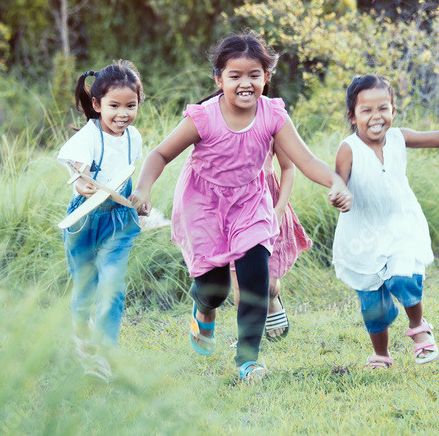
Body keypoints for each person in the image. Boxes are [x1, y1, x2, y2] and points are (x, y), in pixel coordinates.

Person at [129, 32, 352, 382]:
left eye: (254, 75)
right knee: (215, 287)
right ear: (219, 79)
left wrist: (336, 182)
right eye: (235, 76)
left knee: (254, 279)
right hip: (203, 204)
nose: (245, 83)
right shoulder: (203, 117)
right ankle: (203, 308)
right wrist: (142, 189)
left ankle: (248, 359)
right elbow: (160, 154)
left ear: (267, 76)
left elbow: (306, 160)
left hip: (250, 202)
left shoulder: (273, 114)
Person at [332, 74, 439, 370]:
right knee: (373, 306)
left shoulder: (399, 137)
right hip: (362, 234)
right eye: (366, 111)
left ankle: (419, 329)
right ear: (353, 116)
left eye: (383, 108)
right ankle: (381, 354)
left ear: (393, 109)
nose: (376, 117)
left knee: (403, 279)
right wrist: (339, 194)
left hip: (400, 225)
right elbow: (339, 180)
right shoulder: (348, 148)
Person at [56, 61, 145, 381]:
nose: (123, 113)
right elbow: (78, 171)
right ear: (97, 104)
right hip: (85, 219)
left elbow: (131, 175)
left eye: (130, 106)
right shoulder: (89, 135)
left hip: (120, 221)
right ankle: (82, 332)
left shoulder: (134, 136)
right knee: (85, 288)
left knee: (112, 285)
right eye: (114, 106)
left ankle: (103, 357)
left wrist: (139, 201)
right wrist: (81, 182)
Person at [230, 141, 312, 341]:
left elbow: (288, 167)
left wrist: (280, 208)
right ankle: (247, 339)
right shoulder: (219, 119)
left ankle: (273, 298)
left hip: (269, 206)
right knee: (241, 285)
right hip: (234, 208)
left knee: (267, 287)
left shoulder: (271, 121)